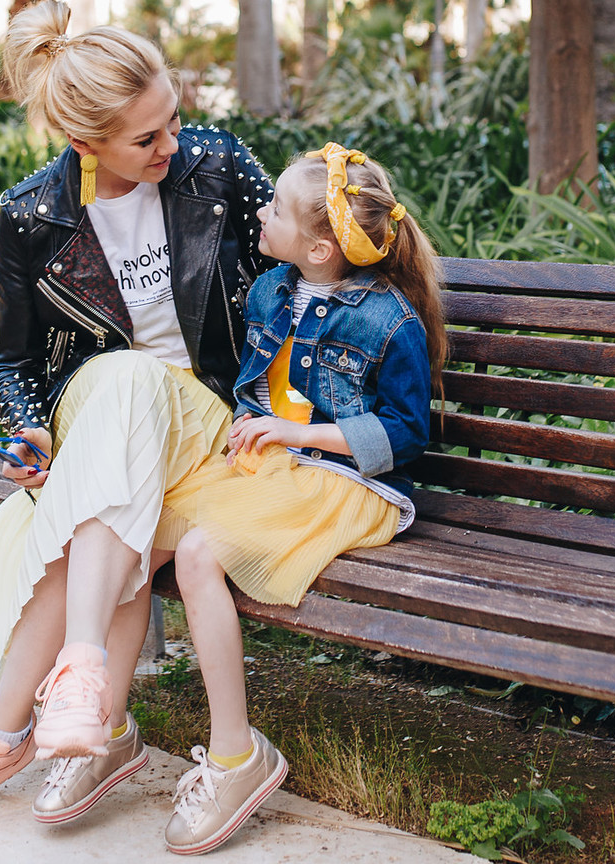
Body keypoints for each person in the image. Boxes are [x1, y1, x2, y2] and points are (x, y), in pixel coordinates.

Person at [0, 0, 274, 828]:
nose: (173, 145)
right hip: (108, 443)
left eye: (174, 118)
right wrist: (23, 431)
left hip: (212, 428)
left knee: (130, 380)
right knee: (114, 453)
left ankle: (13, 725)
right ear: (83, 145)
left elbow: (296, 289)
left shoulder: (219, 170)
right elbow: (17, 364)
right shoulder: (33, 216)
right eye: (147, 139)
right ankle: (73, 716)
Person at [154, 143, 445, 855]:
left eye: (275, 208)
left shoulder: (389, 322)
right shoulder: (271, 291)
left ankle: (235, 757)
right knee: (141, 525)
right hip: (279, 466)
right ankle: (100, 726)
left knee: (196, 553)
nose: (259, 211)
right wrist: (261, 431)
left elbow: (406, 437)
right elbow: (256, 387)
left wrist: (296, 430)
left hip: (349, 485)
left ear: (319, 246)